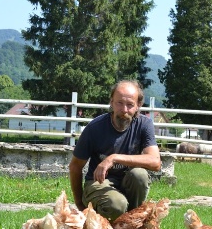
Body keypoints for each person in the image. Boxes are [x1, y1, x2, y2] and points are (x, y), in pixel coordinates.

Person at [69, 80, 161, 221]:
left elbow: (155, 162)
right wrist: (80, 205)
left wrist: (114, 158)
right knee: (117, 204)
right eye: (119, 103)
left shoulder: (144, 124)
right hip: (99, 183)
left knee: (139, 175)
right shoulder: (95, 128)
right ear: (111, 102)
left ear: (138, 106)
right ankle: (106, 225)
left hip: (126, 182)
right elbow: (75, 166)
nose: (124, 110)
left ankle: (131, 223)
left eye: (130, 105)